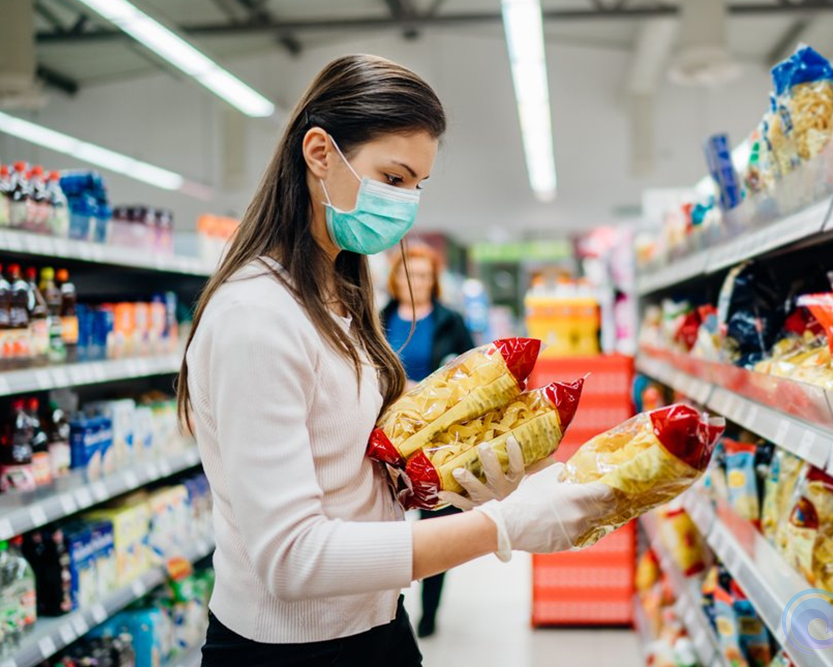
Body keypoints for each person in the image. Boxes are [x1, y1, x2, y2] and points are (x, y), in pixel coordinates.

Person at [178, 54, 613, 667]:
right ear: (320, 154)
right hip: (291, 651)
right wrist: (502, 529)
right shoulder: (255, 317)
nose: (407, 205)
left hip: (377, 625)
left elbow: (347, 478)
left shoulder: (336, 296)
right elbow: (291, 559)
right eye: (394, 177)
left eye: (417, 186)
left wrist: (449, 488)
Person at [381, 244, 473, 638]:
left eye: (422, 275)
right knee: (387, 522)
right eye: (407, 274)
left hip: (438, 439)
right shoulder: (377, 317)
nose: (414, 282)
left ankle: (430, 611)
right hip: (388, 437)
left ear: (432, 281)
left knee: (436, 523)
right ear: (395, 279)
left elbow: (473, 372)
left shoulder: (451, 321)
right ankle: (389, 604)